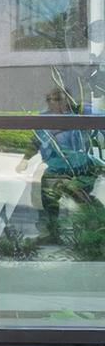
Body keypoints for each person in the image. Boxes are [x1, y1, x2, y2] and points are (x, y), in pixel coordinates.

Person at [35, 88, 102, 244]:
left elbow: (100, 121)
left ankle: (95, 236)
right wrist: (24, 159)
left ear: (66, 100)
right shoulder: (44, 118)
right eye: (49, 99)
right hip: (55, 169)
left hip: (80, 168)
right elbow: (36, 141)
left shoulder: (79, 113)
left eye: (58, 99)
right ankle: (53, 233)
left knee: (83, 201)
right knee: (49, 200)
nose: (53, 102)